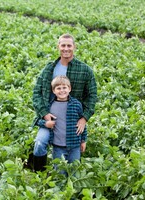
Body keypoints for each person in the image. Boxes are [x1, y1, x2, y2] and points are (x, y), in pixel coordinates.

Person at [32, 33, 97, 172]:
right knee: (39, 143)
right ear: (58, 47)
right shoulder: (49, 69)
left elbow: (92, 96)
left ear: (74, 47)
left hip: (72, 118)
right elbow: (36, 93)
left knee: (71, 151)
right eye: (63, 45)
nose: (66, 48)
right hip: (51, 116)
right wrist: (44, 114)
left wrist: (84, 118)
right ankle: (39, 175)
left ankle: (69, 173)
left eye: (69, 45)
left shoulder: (85, 70)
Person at [35, 76, 87, 173]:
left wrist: (83, 140)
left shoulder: (76, 104)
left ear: (69, 89)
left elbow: (82, 124)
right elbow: (36, 120)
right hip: (58, 146)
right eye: (58, 88)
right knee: (60, 173)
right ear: (53, 91)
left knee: (74, 171)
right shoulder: (49, 105)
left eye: (64, 87)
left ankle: (73, 188)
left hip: (74, 145)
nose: (62, 90)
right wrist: (46, 123)